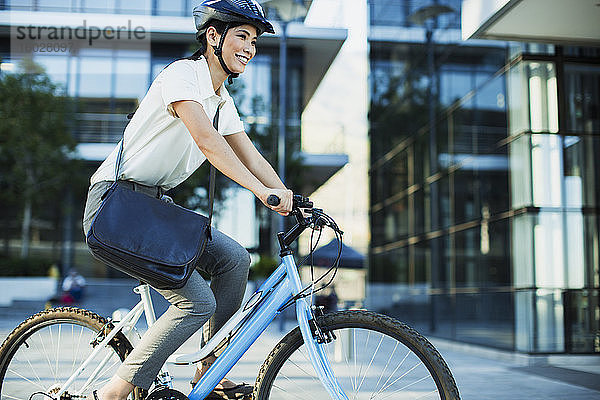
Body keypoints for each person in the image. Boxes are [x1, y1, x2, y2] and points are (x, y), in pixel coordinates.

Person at [81, 1, 293, 399]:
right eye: (242, 36)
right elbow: (207, 141)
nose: (250, 48)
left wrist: (291, 197)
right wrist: (261, 192)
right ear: (213, 36)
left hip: (153, 208)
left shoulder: (221, 99)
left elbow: (249, 153)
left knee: (235, 259)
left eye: (254, 41)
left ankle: (208, 371)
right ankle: (112, 393)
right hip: (116, 205)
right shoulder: (183, 75)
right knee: (196, 303)